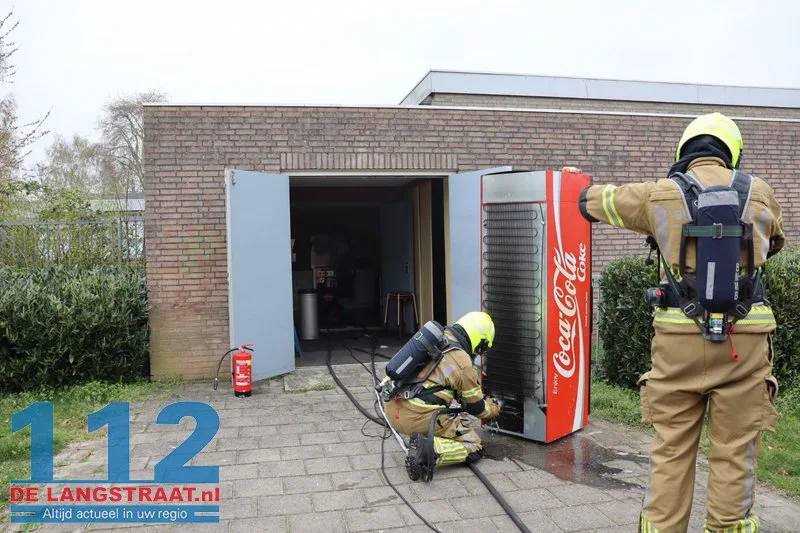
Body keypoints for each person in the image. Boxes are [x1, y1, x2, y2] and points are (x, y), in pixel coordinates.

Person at [577, 112, 785, 532]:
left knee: (671, 448)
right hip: (744, 345)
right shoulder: (760, 192)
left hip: (677, 346)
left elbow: (593, 203)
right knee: (735, 452)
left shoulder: (659, 194)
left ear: (684, 151)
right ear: (732, 152)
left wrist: (581, 187)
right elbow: (774, 241)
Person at [385, 311, 502, 472]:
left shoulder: (439, 338)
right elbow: (476, 408)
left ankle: (424, 438)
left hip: (393, 408)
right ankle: (427, 450)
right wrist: (493, 409)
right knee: (474, 445)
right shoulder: (463, 363)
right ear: (479, 341)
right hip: (415, 417)